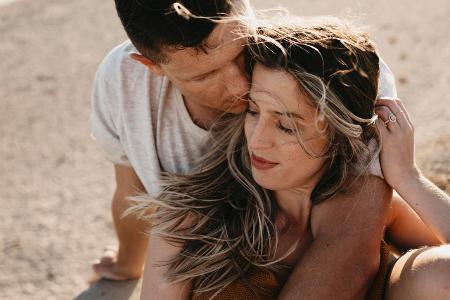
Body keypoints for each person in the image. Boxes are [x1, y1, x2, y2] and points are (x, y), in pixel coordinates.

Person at [90, 1, 397, 298]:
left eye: (241, 52)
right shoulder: (123, 83)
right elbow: (130, 189)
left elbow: (350, 245)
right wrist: (128, 263)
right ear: (150, 66)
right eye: (204, 76)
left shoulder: (339, 72)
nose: (240, 86)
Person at [135, 20, 450, 299]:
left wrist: (408, 177)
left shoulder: (369, 206)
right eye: (253, 111)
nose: (257, 139)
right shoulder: (191, 221)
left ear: (338, 133)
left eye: (286, 126)